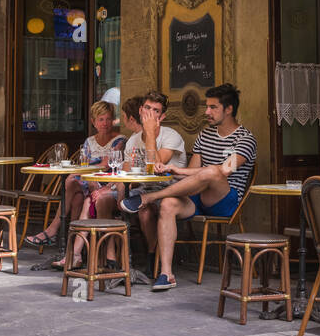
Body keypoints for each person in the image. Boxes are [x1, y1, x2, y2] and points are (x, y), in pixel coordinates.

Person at [121, 83, 256, 292]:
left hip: (224, 200)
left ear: (228, 109)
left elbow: (225, 170)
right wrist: (176, 172)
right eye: (207, 107)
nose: (207, 112)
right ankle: (166, 273)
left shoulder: (245, 139)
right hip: (197, 197)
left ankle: (148, 197)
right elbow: (193, 174)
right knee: (167, 205)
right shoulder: (205, 135)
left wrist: (177, 170)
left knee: (213, 171)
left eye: (213, 108)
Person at [25, 101, 126, 254]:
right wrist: (85, 170)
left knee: (74, 186)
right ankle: (69, 248)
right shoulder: (89, 141)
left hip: (108, 183)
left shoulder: (120, 140)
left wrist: (86, 170)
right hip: (89, 181)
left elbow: (105, 165)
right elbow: (83, 164)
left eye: (108, 119)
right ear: (93, 122)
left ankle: (55, 233)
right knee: (73, 187)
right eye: (101, 119)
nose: (105, 123)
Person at [120, 91, 186, 244]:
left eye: (155, 111)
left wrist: (150, 133)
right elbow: (125, 172)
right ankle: (112, 254)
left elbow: (155, 167)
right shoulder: (133, 140)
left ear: (161, 117)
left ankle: (152, 256)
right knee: (103, 200)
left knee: (145, 212)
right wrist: (118, 191)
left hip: (169, 191)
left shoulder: (171, 136)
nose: (150, 113)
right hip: (143, 190)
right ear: (140, 110)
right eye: (147, 108)